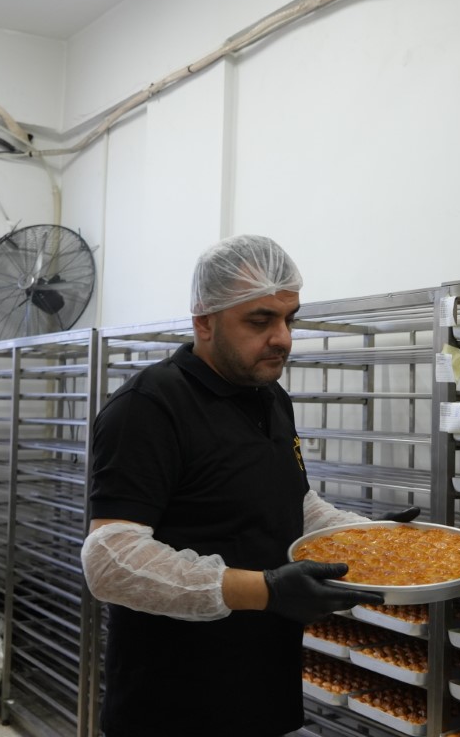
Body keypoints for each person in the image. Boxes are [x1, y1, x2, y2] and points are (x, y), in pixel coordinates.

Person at [81, 234, 418, 737]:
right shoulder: (150, 406)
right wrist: (264, 589)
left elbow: (293, 504)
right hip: (173, 704)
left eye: (289, 319)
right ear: (205, 321)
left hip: (262, 685)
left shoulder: (269, 396)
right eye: (260, 321)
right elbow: (110, 559)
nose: (282, 337)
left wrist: (365, 537)